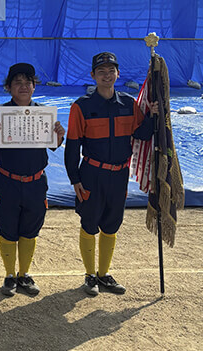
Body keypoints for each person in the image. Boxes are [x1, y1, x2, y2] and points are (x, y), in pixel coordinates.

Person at [65, 51, 158, 296]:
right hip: (92, 174)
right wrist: (74, 178)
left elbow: (142, 134)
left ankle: (103, 274)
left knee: (111, 225)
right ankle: (89, 275)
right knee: (89, 223)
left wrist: (153, 114)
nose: (107, 75)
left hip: (119, 175)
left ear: (118, 73)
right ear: (93, 75)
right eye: (101, 71)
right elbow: (73, 145)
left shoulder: (128, 104)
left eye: (111, 71)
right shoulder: (81, 107)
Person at [0, 62, 65, 297]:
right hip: (7, 182)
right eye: (17, 82)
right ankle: (9, 275)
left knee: (30, 229)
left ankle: (24, 274)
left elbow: (54, 145)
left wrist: (59, 136)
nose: (23, 86)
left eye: (28, 82)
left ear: (34, 87)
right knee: (7, 229)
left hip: (36, 182)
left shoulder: (43, 114)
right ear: (9, 87)